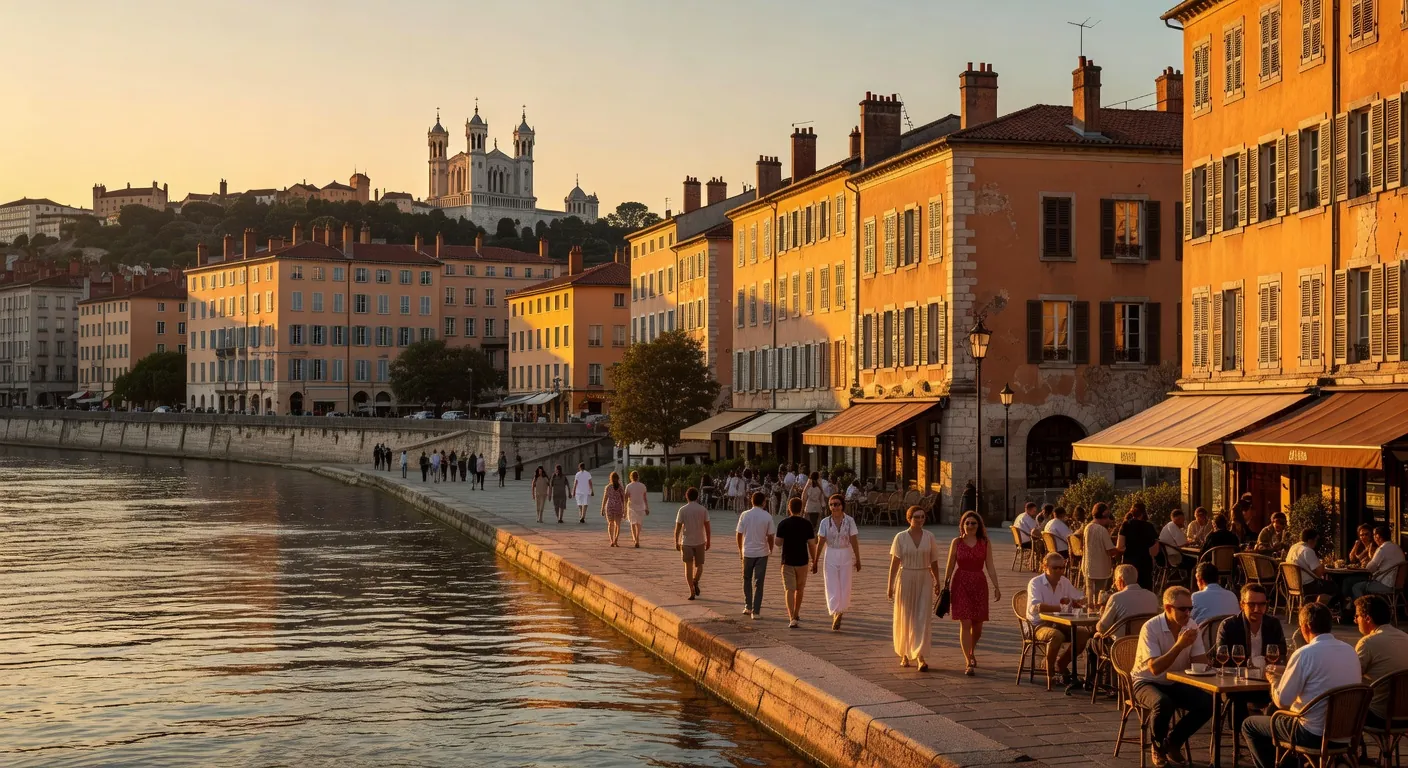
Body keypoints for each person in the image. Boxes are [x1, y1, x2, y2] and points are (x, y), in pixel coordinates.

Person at [1241, 603, 1362, 768]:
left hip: (1312, 734)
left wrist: (1273, 680)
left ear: (1305, 627)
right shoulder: (1350, 651)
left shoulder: (1305, 653)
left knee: (1250, 725)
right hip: (1346, 733)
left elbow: (1283, 701)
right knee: (1274, 715)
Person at [1132, 586, 1213, 768]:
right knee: (1163, 702)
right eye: (1183, 609)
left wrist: (1213, 667)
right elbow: (1155, 668)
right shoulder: (1151, 627)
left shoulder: (1191, 626)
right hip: (1146, 681)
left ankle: (1173, 742)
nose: (1188, 613)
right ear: (1168, 608)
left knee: (1209, 704)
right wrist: (1179, 645)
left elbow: (1200, 660)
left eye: (1190, 609)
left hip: (1175, 680)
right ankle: (1158, 746)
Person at [1215, 584, 1287, 729]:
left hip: (1265, 683)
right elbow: (1222, 660)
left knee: (1285, 696)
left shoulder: (1273, 624)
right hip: (1237, 684)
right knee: (1237, 697)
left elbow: (1282, 655)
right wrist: (1253, 664)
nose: (1257, 609)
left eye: (1261, 604)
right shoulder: (1229, 626)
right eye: (1252, 604)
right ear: (1242, 605)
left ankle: (1268, 735)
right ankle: (1243, 735)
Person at [1082, 564, 1160, 690]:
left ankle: (1092, 683)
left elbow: (1101, 627)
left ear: (1120, 581)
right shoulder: (1152, 596)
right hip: (1145, 644)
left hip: (1121, 646)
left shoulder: (1117, 598)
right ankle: (1112, 682)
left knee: (1091, 643)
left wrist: (1102, 612)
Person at [943, 510, 1000, 676]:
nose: (970, 526)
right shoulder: (957, 542)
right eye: (966, 523)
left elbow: (990, 565)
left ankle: (971, 650)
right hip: (960, 582)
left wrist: (996, 586)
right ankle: (968, 661)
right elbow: (950, 564)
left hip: (979, 583)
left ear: (979, 525)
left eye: (973, 523)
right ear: (962, 525)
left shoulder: (985, 542)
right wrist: (944, 583)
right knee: (965, 622)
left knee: (978, 626)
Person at [888, 506, 943, 671]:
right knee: (906, 616)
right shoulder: (900, 537)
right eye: (916, 517)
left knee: (922, 617)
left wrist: (937, 581)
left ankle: (920, 656)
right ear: (909, 518)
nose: (920, 520)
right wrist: (889, 586)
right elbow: (895, 563)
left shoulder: (929, 537)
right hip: (906, 577)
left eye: (922, 517)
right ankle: (904, 653)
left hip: (924, 576)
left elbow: (934, 561)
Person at [1026, 552, 1086, 685]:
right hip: (1038, 624)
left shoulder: (1064, 582)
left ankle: (1061, 664)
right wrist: (1061, 607)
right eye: (1055, 568)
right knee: (1056, 636)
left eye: (1062, 568)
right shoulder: (1035, 583)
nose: (1059, 571)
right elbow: (1037, 606)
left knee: (1083, 634)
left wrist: (1085, 602)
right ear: (1045, 567)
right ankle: (1050, 671)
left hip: (1059, 622)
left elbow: (1078, 597)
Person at [1354, 594, 1408, 730]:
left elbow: (1351, 678)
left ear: (1367, 618)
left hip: (1381, 716)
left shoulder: (1368, 642)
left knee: (1340, 706)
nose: (1355, 621)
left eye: (1357, 616)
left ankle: (1351, 748)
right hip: (1406, 714)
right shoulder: (1405, 637)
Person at [813, 493, 861, 631]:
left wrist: (858, 559)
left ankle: (841, 610)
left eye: (837, 504)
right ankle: (835, 611)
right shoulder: (824, 522)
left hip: (845, 552)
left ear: (842, 505)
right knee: (831, 583)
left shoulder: (849, 521)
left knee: (845, 583)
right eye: (832, 504)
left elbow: (853, 540)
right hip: (831, 553)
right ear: (829, 507)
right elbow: (821, 542)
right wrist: (815, 560)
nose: (835, 507)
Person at [775, 498, 817, 629]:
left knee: (789, 589)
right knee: (800, 589)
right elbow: (811, 544)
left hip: (787, 560)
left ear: (789, 508)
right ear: (802, 508)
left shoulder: (783, 523)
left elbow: (778, 542)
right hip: (802, 561)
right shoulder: (807, 524)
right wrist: (814, 560)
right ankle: (797, 612)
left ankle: (791, 616)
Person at [736, 491, 775, 619]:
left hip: (747, 552)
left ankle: (748, 606)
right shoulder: (767, 516)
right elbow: (770, 536)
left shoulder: (744, 515)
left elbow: (739, 534)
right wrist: (771, 548)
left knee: (746, 579)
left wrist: (740, 548)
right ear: (764, 502)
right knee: (759, 582)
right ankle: (756, 611)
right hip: (762, 553)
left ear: (752, 501)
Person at [674, 487, 712, 600]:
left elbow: (678, 528)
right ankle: (696, 581)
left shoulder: (682, 510)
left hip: (686, 542)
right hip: (700, 541)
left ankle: (691, 590)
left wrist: (676, 541)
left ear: (686, 496)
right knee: (700, 566)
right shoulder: (703, 510)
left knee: (688, 568)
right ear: (697, 497)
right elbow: (707, 527)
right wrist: (708, 540)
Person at [1352, 524, 1406, 599]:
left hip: (1385, 585)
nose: (1373, 538)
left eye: (1374, 535)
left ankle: (1366, 608)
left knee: (1356, 587)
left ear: (1378, 537)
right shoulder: (1397, 548)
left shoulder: (1382, 549)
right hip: (1397, 586)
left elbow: (1369, 568)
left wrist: (1368, 562)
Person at [1116, 501, 1159, 590]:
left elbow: (1120, 546)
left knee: (1128, 588)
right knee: (1145, 589)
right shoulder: (1149, 526)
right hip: (1145, 562)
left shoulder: (1126, 525)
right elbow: (1155, 550)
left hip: (1130, 561)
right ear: (1143, 513)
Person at [1285, 528, 1336, 599]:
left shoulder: (1293, 547)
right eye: (1316, 540)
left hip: (1292, 585)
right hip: (1307, 586)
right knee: (1333, 586)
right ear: (1310, 540)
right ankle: (1321, 608)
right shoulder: (1307, 550)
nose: (1316, 543)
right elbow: (1318, 573)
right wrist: (1322, 565)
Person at [1082, 503, 1118, 603]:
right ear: (1104, 515)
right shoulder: (1102, 530)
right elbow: (1111, 551)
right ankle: (1097, 613)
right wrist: (1120, 548)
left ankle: (1090, 609)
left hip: (1088, 566)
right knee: (1099, 596)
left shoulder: (1087, 527)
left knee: (1089, 594)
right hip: (1100, 568)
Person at [600, 471, 627, 547]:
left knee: (610, 524)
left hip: (610, 507)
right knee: (618, 525)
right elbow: (623, 499)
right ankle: (616, 540)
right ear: (618, 479)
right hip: (618, 507)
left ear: (610, 479)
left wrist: (602, 508)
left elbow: (605, 498)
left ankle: (611, 540)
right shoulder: (621, 487)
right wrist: (624, 510)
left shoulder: (608, 487)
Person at [625, 470, 650, 548]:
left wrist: (624, 509)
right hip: (641, 507)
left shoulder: (628, 486)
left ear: (631, 477)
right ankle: (637, 537)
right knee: (639, 524)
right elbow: (645, 498)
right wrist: (647, 507)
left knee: (632, 523)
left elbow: (626, 498)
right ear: (638, 477)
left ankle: (634, 538)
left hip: (631, 507)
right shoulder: (643, 486)